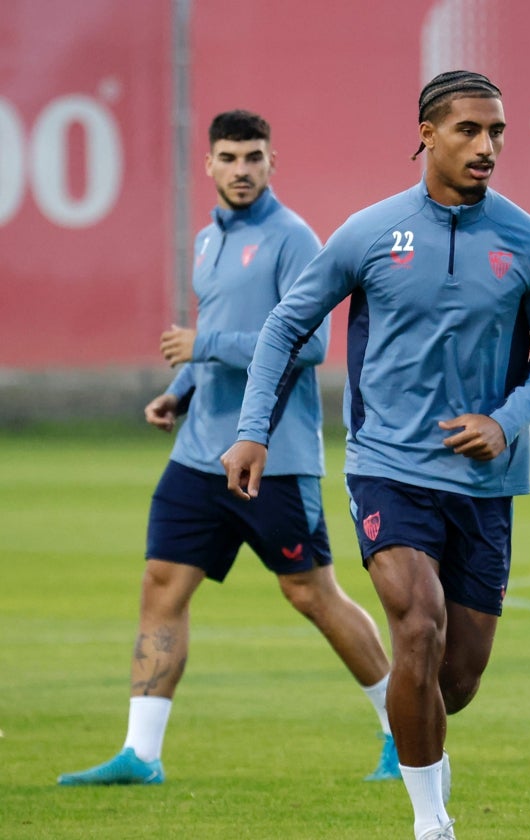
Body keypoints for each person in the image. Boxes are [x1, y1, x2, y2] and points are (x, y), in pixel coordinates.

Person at [220, 71, 530, 840]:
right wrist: (252, 430)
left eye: (498, 132)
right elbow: (286, 328)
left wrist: (507, 421)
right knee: (418, 625)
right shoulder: (372, 232)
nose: (487, 147)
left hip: (485, 480)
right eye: (470, 131)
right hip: (388, 465)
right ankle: (430, 824)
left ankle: (423, 756)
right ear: (426, 133)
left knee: (457, 677)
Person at [58, 111, 396, 787]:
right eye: (229, 158)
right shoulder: (207, 242)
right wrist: (180, 390)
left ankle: (401, 732)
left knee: (311, 595)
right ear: (208, 166)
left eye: (254, 157)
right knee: (161, 585)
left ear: (273, 163)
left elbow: (312, 346)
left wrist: (203, 347)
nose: (242, 169)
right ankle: (141, 754)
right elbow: (216, 329)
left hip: (275, 454)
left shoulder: (295, 241)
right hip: (198, 452)